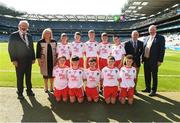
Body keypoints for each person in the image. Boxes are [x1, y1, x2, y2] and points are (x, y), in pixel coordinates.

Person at [8, 20, 35, 100]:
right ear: (19, 26)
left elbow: (32, 48)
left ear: (27, 27)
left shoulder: (29, 36)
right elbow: (11, 48)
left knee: (28, 76)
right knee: (20, 77)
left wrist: (33, 58)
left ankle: (29, 91)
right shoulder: (14, 35)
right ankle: (20, 93)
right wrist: (13, 59)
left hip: (29, 60)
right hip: (19, 61)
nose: (24, 28)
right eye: (22, 26)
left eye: (25, 26)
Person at [142, 25, 165, 96]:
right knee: (147, 74)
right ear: (148, 31)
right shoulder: (146, 38)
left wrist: (160, 60)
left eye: (153, 29)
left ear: (155, 30)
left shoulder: (160, 38)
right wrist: (142, 59)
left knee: (154, 75)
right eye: (150, 30)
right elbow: (144, 49)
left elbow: (162, 50)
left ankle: (153, 90)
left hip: (154, 60)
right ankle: (147, 88)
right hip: (146, 60)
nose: (151, 31)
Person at [36, 28, 57, 93]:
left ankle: (51, 87)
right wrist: (39, 61)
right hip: (44, 61)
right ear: (43, 34)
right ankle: (46, 87)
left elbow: (57, 52)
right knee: (45, 74)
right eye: (46, 33)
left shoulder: (54, 41)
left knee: (52, 74)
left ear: (51, 34)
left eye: (49, 33)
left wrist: (57, 61)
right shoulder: (40, 42)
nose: (47, 34)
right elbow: (37, 53)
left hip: (53, 60)